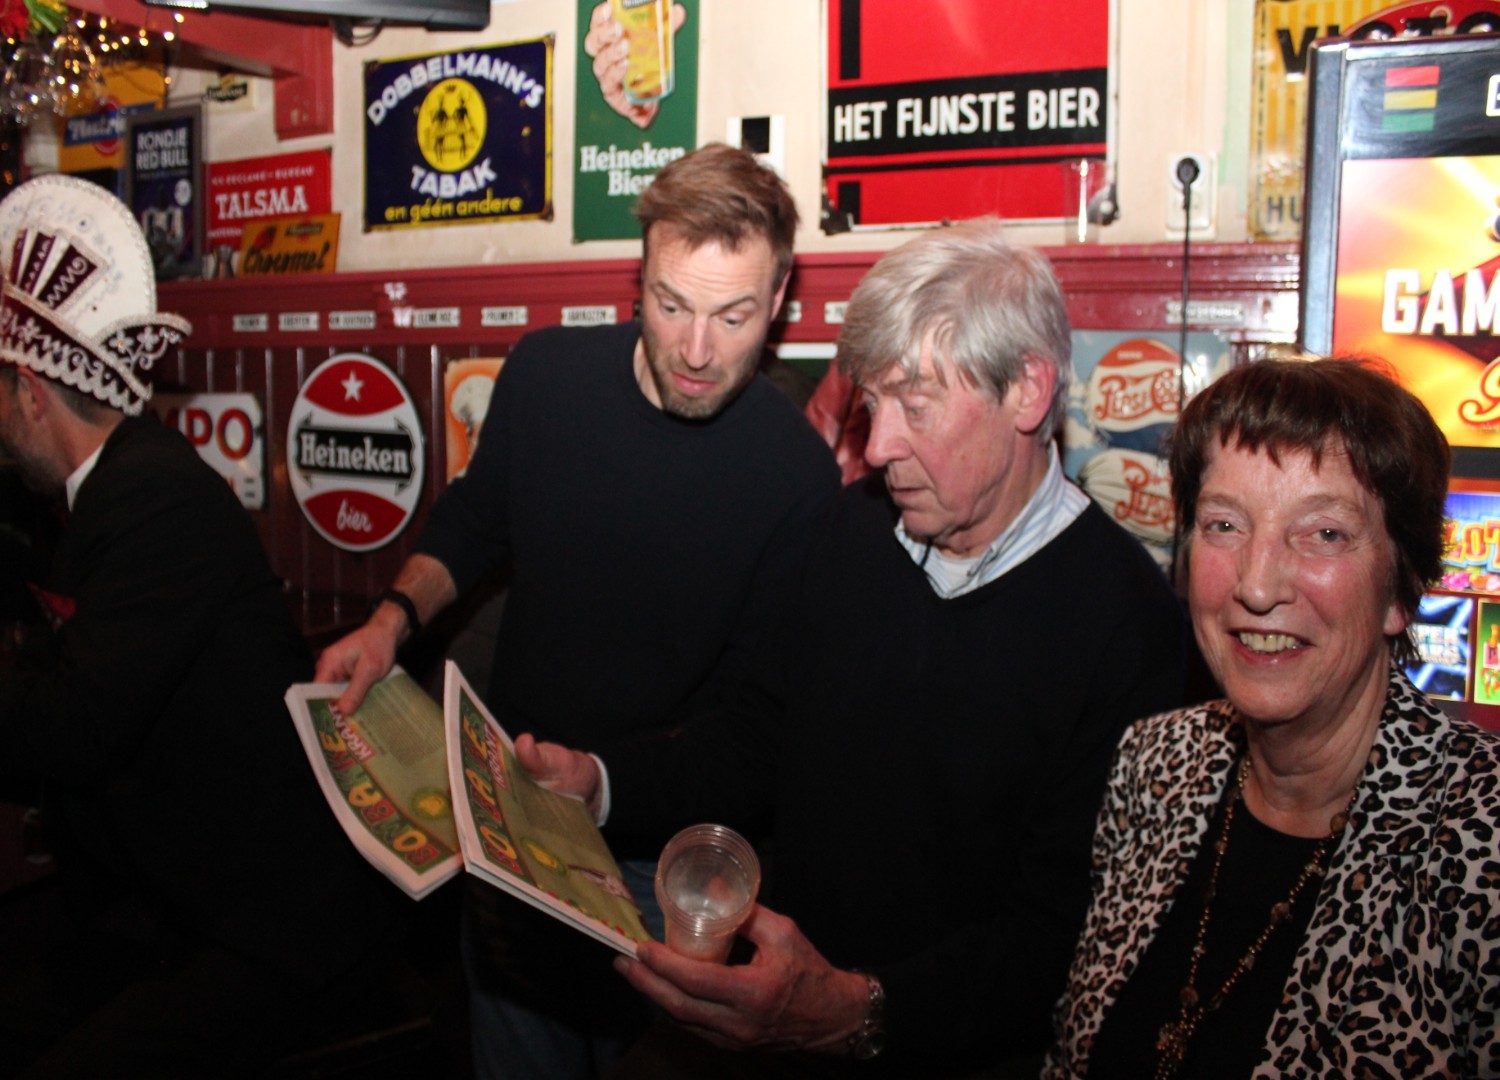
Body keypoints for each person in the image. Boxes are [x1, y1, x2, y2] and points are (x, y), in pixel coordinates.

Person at [522, 217, 1186, 1077]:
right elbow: (755, 738)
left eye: (917, 406)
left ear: (1027, 390)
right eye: (874, 406)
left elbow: (1062, 939)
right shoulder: (850, 533)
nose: (877, 447)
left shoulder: (1131, 628)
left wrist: (856, 1010)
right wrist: (602, 784)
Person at [314, 142, 839, 1079]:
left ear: (781, 298)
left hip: (666, 864)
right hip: (512, 826)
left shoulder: (795, 476)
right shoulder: (546, 375)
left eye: (733, 317)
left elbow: (757, 732)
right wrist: (391, 620)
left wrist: (599, 783)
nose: (696, 350)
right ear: (637, 276)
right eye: (671, 305)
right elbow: (475, 519)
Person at [0, 175, 402, 1076]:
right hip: (169, 898)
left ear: (29, 393)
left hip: (264, 924)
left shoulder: (154, 499)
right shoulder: (103, 486)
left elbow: (68, 731)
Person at [1045, 357, 1500, 1078]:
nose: (1257, 585)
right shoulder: (1156, 764)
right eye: (1225, 524)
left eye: (1324, 534)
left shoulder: (1481, 840)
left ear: (1402, 588)